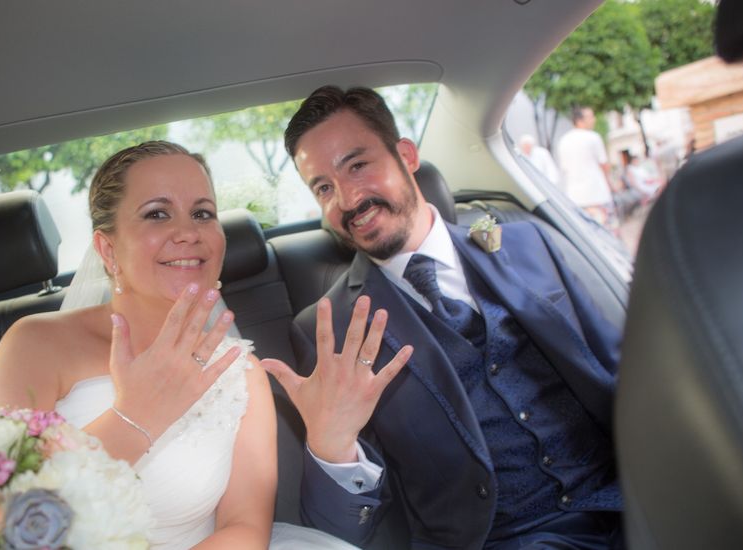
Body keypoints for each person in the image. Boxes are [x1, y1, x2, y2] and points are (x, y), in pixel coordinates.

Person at [261, 87, 624, 549]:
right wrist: (332, 447)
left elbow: (623, 369)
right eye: (324, 188)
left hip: (634, 495)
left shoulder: (529, 243)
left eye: (358, 165)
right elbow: (341, 531)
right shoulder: (327, 328)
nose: (349, 199)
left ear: (406, 156)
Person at [0, 141, 355, 549]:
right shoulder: (35, 345)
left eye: (202, 214)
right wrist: (134, 417)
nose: (188, 233)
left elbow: (245, 527)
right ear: (108, 250)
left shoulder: (242, 373)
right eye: (157, 214)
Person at [556, 107, 618, 232]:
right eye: (590, 117)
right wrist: (612, 184)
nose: (594, 120)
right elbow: (604, 165)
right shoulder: (593, 137)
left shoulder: (563, 141)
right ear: (579, 121)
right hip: (598, 195)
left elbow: (564, 169)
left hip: (575, 198)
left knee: (589, 237)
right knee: (609, 235)